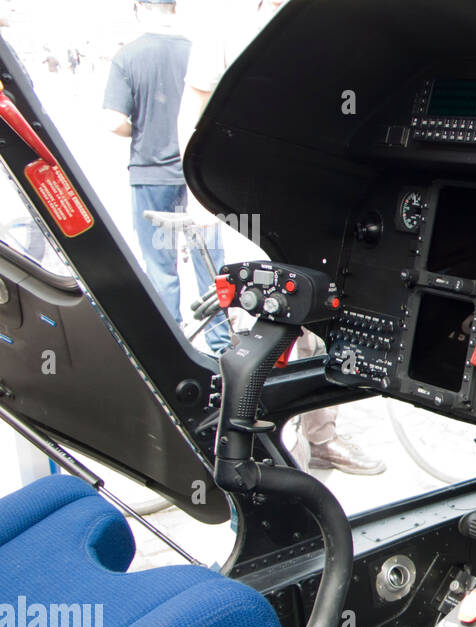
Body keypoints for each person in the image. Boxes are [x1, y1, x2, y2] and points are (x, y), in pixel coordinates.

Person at [185, 0, 385, 475]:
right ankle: (268, 456)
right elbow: (198, 109)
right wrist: (203, 196)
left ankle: (320, 436)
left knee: (323, 330)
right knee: (266, 325)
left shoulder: (335, 28)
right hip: (249, 212)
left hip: (316, 209)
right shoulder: (230, 26)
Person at [103, 0, 230, 354]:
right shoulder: (199, 53)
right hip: (200, 175)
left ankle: (170, 344)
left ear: (140, 8)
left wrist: (141, 130)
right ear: (174, 8)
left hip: (151, 173)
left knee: (160, 264)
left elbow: (113, 121)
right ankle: (221, 343)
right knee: (210, 261)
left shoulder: (128, 55)